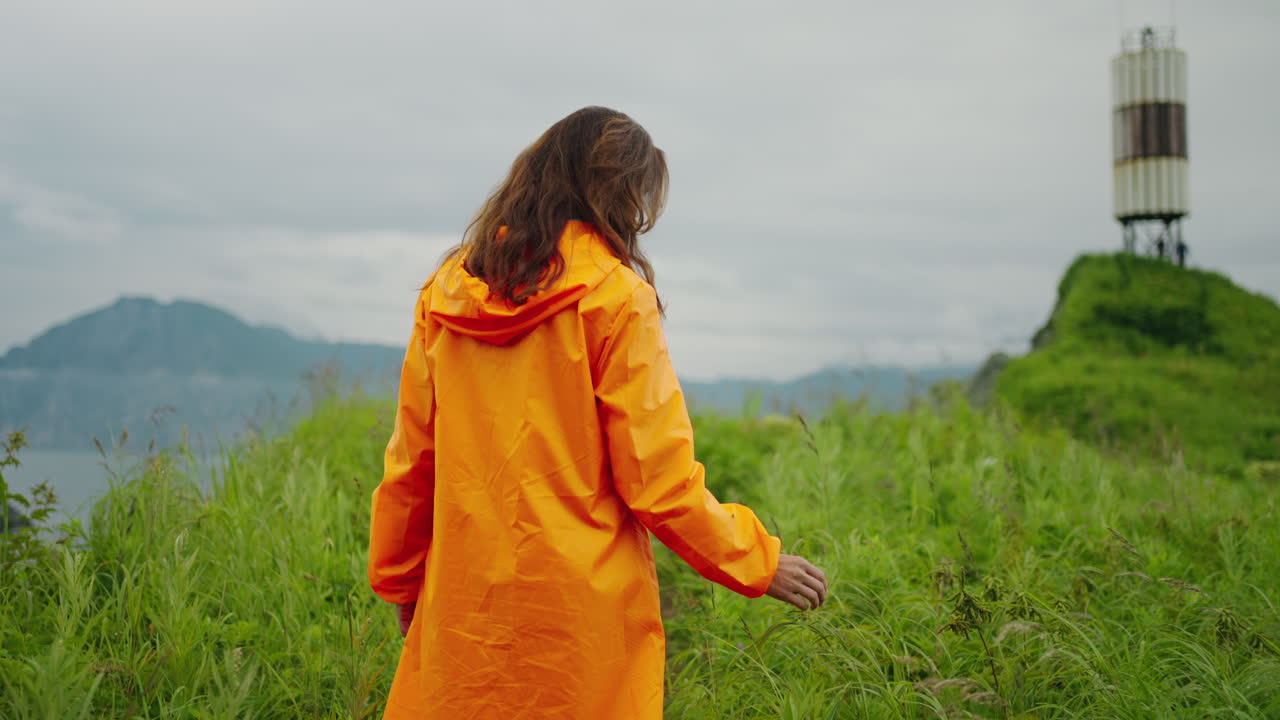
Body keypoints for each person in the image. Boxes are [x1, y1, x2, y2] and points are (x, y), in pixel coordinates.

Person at [366, 106, 827, 720]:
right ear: (618, 197)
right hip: (583, 631)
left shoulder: (445, 296)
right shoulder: (616, 298)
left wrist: (402, 583)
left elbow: (411, 465)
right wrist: (758, 562)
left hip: (464, 614)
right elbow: (658, 482)